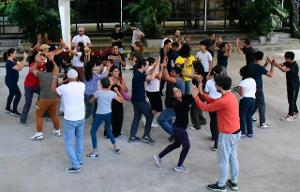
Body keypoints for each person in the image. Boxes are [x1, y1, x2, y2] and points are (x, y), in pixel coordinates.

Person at [192, 75, 241, 192]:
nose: (214, 85)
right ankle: (234, 182)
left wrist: (195, 97)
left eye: (216, 84)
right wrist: (201, 93)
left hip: (227, 134)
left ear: (220, 86)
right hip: (236, 132)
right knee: (233, 157)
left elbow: (205, 107)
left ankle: (221, 185)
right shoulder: (230, 96)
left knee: (223, 160)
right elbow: (214, 101)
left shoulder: (224, 100)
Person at [52, 69, 85, 173]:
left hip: (70, 118)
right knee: (79, 138)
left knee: (69, 142)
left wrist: (55, 77)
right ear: (76, 76)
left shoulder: (64, 88)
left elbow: (53, 89)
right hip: (81, 116)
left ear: (67, 76)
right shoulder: (82, 85)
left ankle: (75, 166)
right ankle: (79, 160)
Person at [153, 87, 193, 173]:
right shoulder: (176, 104)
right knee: (186, 146)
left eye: (179, 90)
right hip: (179, 129)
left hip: (178, 127)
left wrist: (199, 88)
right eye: (176, 91)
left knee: (176, 144)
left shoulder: (182, 98)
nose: (179, 91)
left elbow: (190, 97)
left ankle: (159, 157)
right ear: (174, 95)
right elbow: (187, 103)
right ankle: (179, 166)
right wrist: (194, 95)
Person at [86, 77, 124, 158]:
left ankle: (95, 152)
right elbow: (122, 100)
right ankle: (116, 148)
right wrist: (117, 91)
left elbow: (90, 101)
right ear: (109, 85)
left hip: (99, 114)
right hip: (108, 114)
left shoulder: (98, 92)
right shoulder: (112, 93)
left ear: (101, 84)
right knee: (109, 131)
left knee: (93, 132)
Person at [129, 58, 159, 144]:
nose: (147, 66)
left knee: (137, 117)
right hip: (140, 100)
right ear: (142, 66)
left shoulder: (137, 72)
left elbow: (149, 72)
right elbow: (152, 77)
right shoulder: (139, 75)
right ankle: (146, 136)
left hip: (135, 99)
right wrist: (157, 65)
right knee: (150, 115)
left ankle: (132, 136)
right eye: (146, 65)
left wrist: (154, 64)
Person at [30, 57, 61, 140]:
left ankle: (39, 133)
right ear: (53, 68)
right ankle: (57, 130)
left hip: (44, 99)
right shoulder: (55, 74)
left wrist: (37, 62)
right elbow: (57, 68)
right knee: (53, 114)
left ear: (45, 67)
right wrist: (53, 60)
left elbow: (32, 70)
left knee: (39, 115)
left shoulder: (41, 74)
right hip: (54, 98)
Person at [157, 66, 185, 140]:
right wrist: (162, 68)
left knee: (161, 120)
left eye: (173, 72)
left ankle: (176, 134)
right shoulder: (172, 78)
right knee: (168, 120)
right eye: (171, 71)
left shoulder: (179, 80)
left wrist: (165, 67)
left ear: (178, 74)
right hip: (169, 103)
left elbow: (166, 78)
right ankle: (174, 135)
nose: (170, 73)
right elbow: (163, 77)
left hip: (175, 105)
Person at [248, 51, 274, 128]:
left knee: (256, 103)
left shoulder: (251, 64)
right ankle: (262, 123)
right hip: (258, 88)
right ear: (261, 58)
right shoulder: (259, 67)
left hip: (251, 87)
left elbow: (261, 69)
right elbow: (270, 74)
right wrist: (272, 65)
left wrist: (266, 63)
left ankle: (249, 116)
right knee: (262, 104)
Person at [272, 51, 299, 121]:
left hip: (294, 85)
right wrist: (272, 63)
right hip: (290, 84)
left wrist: (276, 64)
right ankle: (295, 112)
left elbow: (284, 70)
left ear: (290, 58)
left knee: (291, 100)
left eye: (286, 58)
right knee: (292, 99)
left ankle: (290, 115)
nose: (285, 59)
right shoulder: (288, 62)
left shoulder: (294, 65)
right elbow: (280, 65)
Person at [20, 52, 46, 124]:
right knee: (28, 103)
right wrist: (37, 63)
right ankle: (23, 119)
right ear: (37, 59)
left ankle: (42, 110)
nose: (43, 61)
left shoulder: (44, 65)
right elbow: (32, 70)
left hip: (37, 85)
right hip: (29, 86)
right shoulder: (33, 64)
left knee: (44, 96)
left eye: (44, 59)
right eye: (41, 59)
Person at [4, 49, 27, 115]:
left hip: (11, 81)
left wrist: (23, 59)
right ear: (11, 54)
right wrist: (25, 58)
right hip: (11, 82)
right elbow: (20, 68)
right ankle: (14, 111)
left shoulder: (13, 60)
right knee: (18, 95)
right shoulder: (9, 63)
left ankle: (7, 108)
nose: (16, 54)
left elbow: (21, 64)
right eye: (15, 53)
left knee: (11, 94)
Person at [204, 66, 222, 151]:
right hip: (221, 104)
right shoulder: (224, 82)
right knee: (218, 123)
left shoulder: (209, 82)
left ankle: (214, 137)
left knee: (213, 121)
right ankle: (216, 144)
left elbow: (206, 93)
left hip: (211, 104)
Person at [109, 66, 129, 137]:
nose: (117, 72)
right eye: (115, 71)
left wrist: (119, 84)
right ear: (111, 72)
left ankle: (117, 132)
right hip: (110, 101)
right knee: (112, 117)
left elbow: (126, 90)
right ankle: (108, 132)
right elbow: (105, 91)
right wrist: (111, 84)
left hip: (119, 100)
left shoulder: (120, 79)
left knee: (120, 116)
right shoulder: (108, 79)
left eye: (118, 71)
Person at [237, 66, 256, 138]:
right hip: (253, 100)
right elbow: (255, 90)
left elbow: (242, 93)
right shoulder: (253, 80)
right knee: (249, 116)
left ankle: (243, 132)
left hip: (245, 100)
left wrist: (237, 90)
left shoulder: (243, 82)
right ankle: (250, 132)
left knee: (242, 116)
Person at [146, 57, 163, 128]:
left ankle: (148, 119)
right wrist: (161, 68)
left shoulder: (149, 68)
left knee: (154, 108)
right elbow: (159, 77)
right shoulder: (152, 69)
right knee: (158, 108)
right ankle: (149, 120)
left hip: (150, 91)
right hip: (154, 92)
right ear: (153, 62)